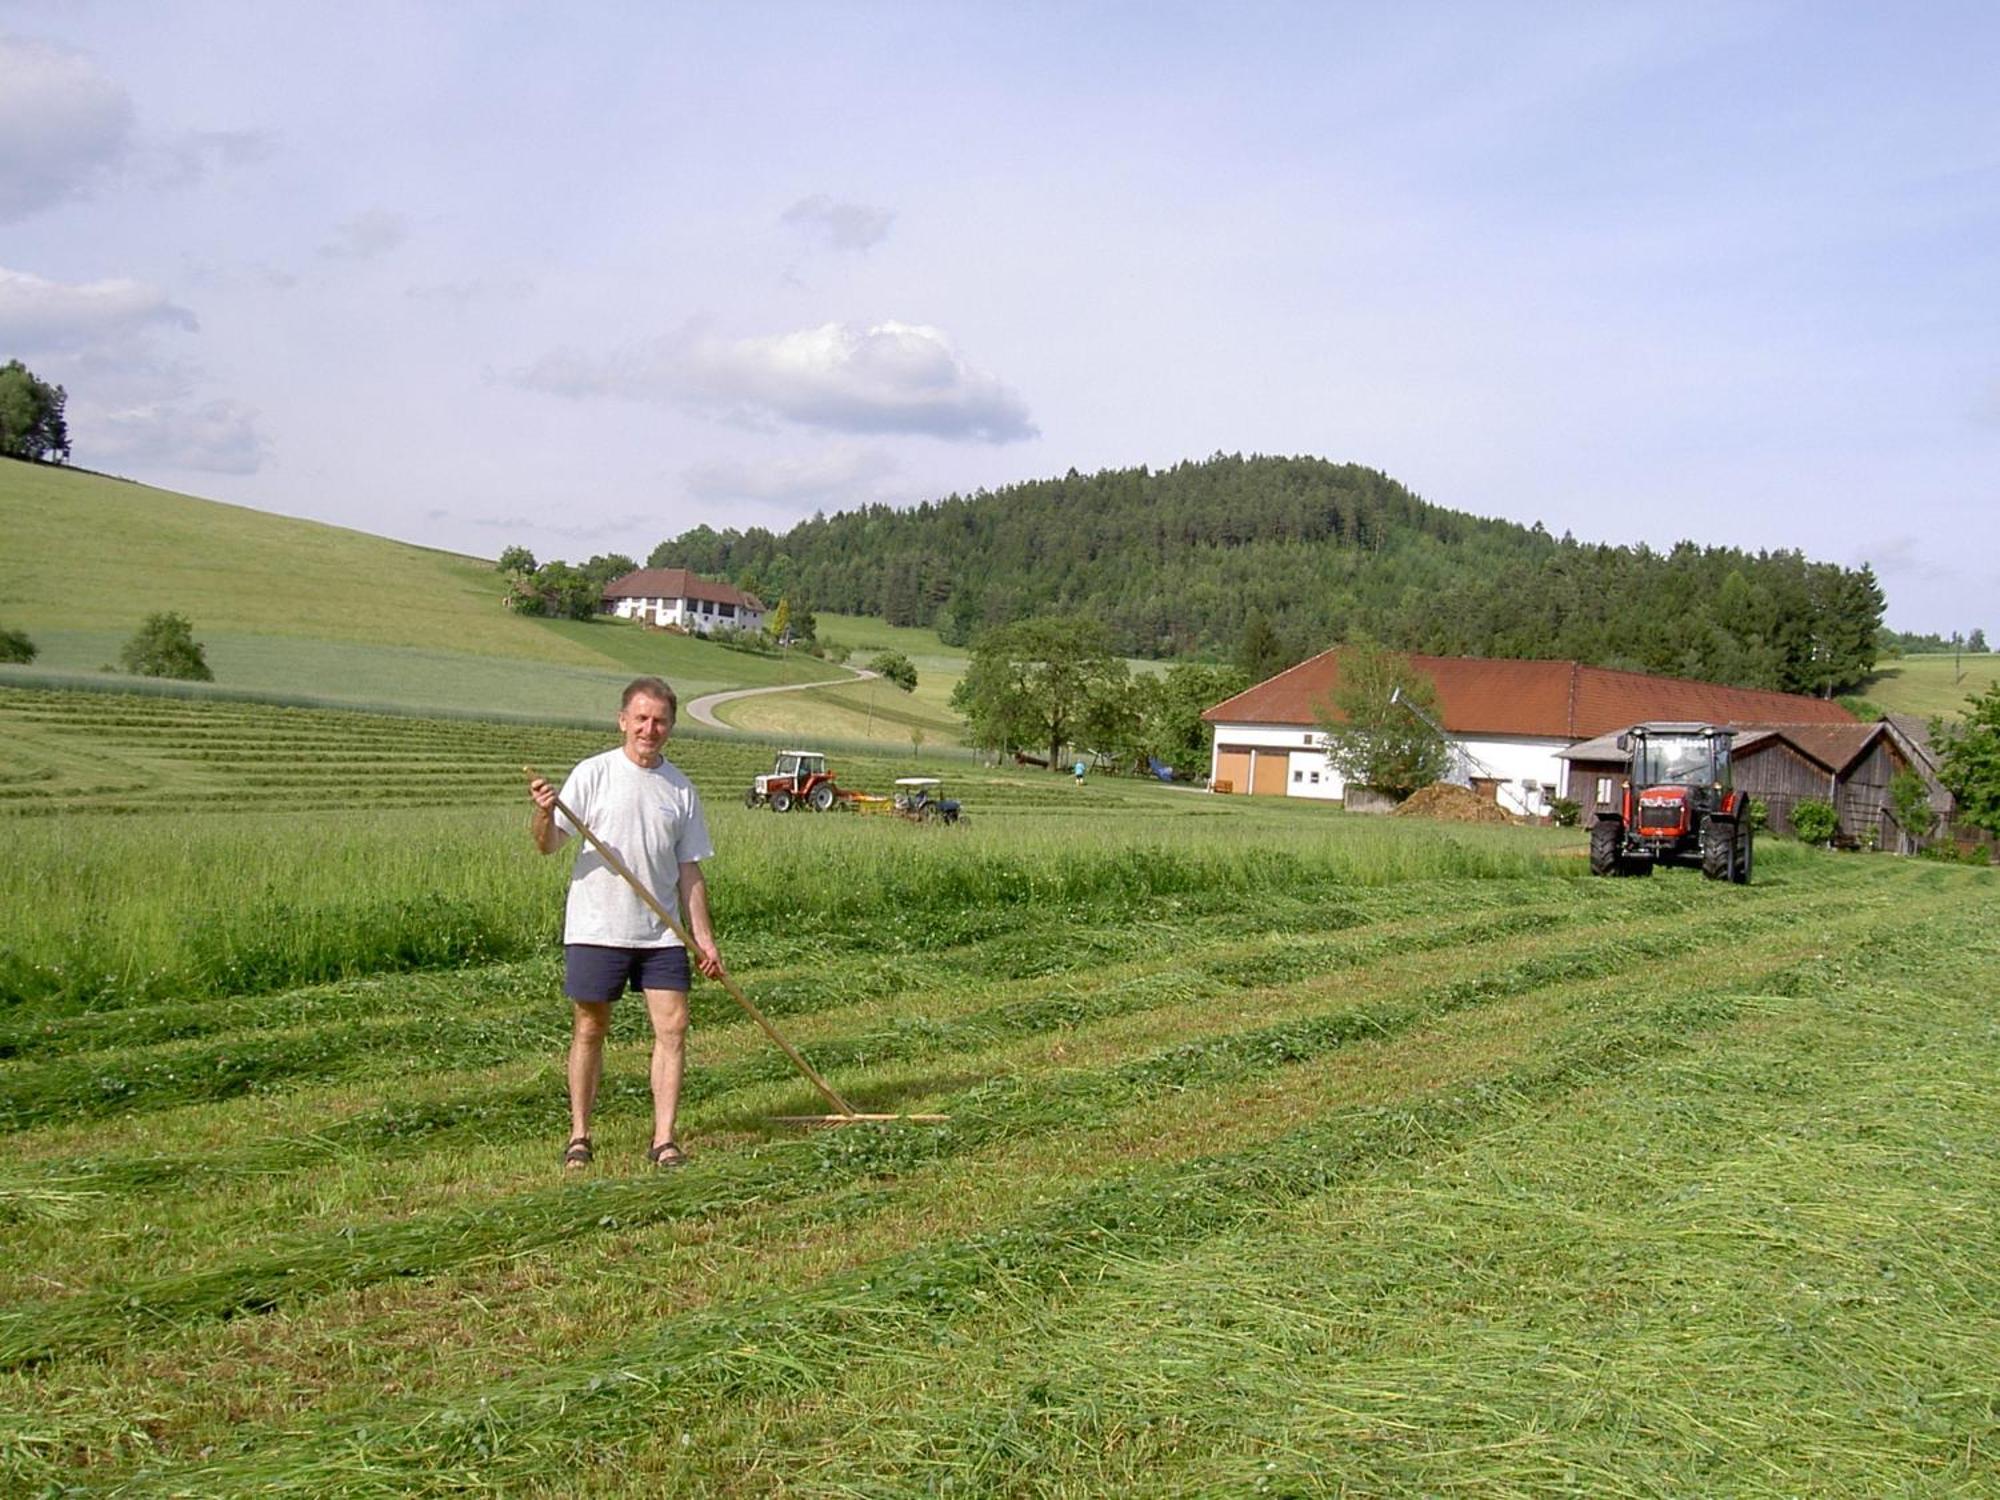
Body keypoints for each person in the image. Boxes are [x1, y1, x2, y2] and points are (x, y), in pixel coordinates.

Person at [528, 676, 724, 1170]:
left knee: (674, 1028)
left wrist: (704, 940)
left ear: (671, 727)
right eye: (640, 718)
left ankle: (664, 1139)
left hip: (662, 933)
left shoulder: (680, 790)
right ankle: (579, 1136)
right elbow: (548, 844)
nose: (649, 728)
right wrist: (543, 814)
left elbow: (689, 870)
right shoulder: (593, 775)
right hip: (597, 927)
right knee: (591, 1027)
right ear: (622, 721)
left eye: (659, 721)